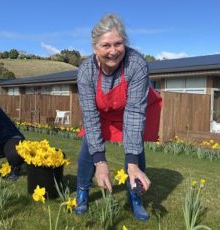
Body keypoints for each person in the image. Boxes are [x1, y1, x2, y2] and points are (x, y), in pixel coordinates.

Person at [75, 13, 162, 221]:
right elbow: (90, 115)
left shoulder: (136, 64)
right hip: (101, 113)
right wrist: (100, 162)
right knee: (89, 147)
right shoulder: (85, 72)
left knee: (136, 151)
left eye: (118, 44)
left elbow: (134, 113)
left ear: (125, 43)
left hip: (128, 111)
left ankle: (135, 196)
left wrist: (131, 162)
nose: (113, 51)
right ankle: (82, 191)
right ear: (94, 47)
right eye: (106, 45)